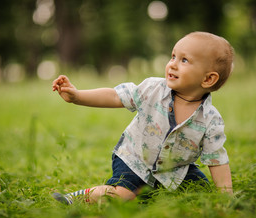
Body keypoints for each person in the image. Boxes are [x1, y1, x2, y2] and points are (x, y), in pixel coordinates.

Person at [52, 31, 234, 205]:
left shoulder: (210, 120)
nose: (172, 64)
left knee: (200, 193)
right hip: (134, 160)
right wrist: (77, 97)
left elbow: (216, 159)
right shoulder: (152, 89)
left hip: (174, 169)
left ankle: (149, 191)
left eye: (184, 60)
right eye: (173, 56)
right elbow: (116, 96)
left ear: (208, 79)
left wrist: (226, 197)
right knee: (122, 196)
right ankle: (78, 197)